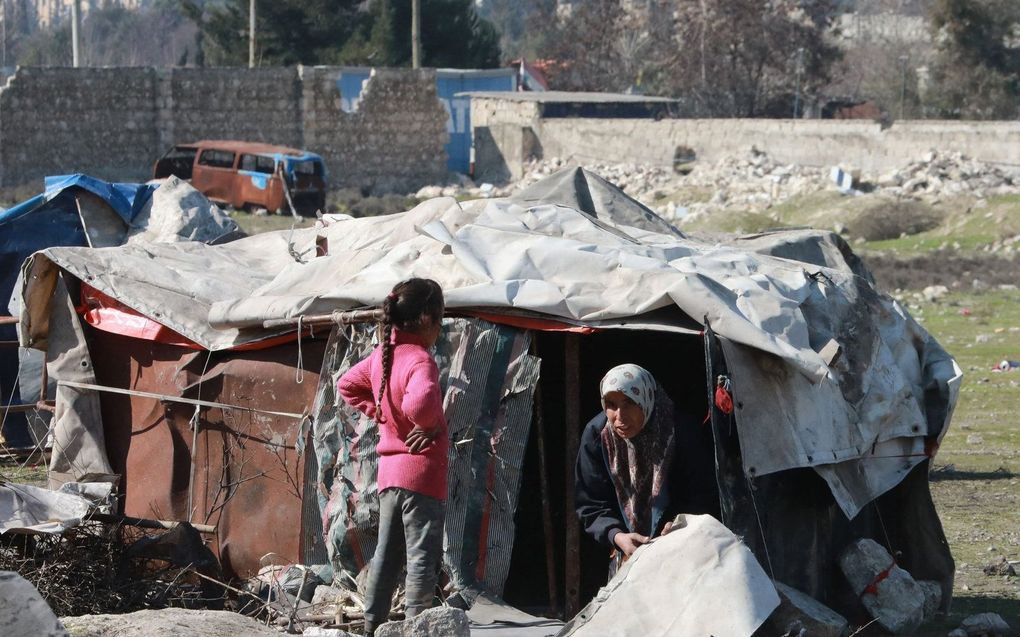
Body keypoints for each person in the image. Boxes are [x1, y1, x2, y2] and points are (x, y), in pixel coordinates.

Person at [337, 278, 448, 636]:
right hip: (422, 475)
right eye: (441, 319)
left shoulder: (382, 358)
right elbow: (421, 401)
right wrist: (428, 423)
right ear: (428, 318)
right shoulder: (420, 359)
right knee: (420, 558)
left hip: (390, 475)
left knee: (386, 555)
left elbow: (346, 384)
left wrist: (380, 413)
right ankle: (417, 628)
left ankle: (372, 627)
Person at [574, 363, 718, 572]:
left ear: (647, 398)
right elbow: (590, 502)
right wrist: (616, 535)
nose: (619, 416)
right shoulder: (598, 436)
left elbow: (703, 493)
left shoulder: (681, 432)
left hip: (684, 549)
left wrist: (681, 525)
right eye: (611, 405)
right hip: (625, 552)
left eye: (630, 402)